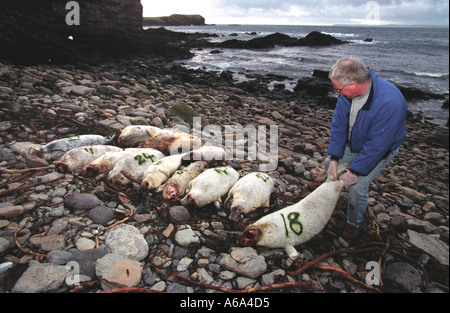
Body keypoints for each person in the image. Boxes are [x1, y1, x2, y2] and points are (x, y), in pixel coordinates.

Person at [325, 56, 407, 242]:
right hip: (353, 142)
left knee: (357, 187)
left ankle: (354, 223)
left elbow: (378, 145)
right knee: (328, 164)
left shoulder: (390, 101)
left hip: (380, 149)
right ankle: (326, 193)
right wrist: (335, 158)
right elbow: (338, 126)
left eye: (338, 89)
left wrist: (354, 171)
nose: (336, 92)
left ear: (353, 85)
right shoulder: (346, 95)